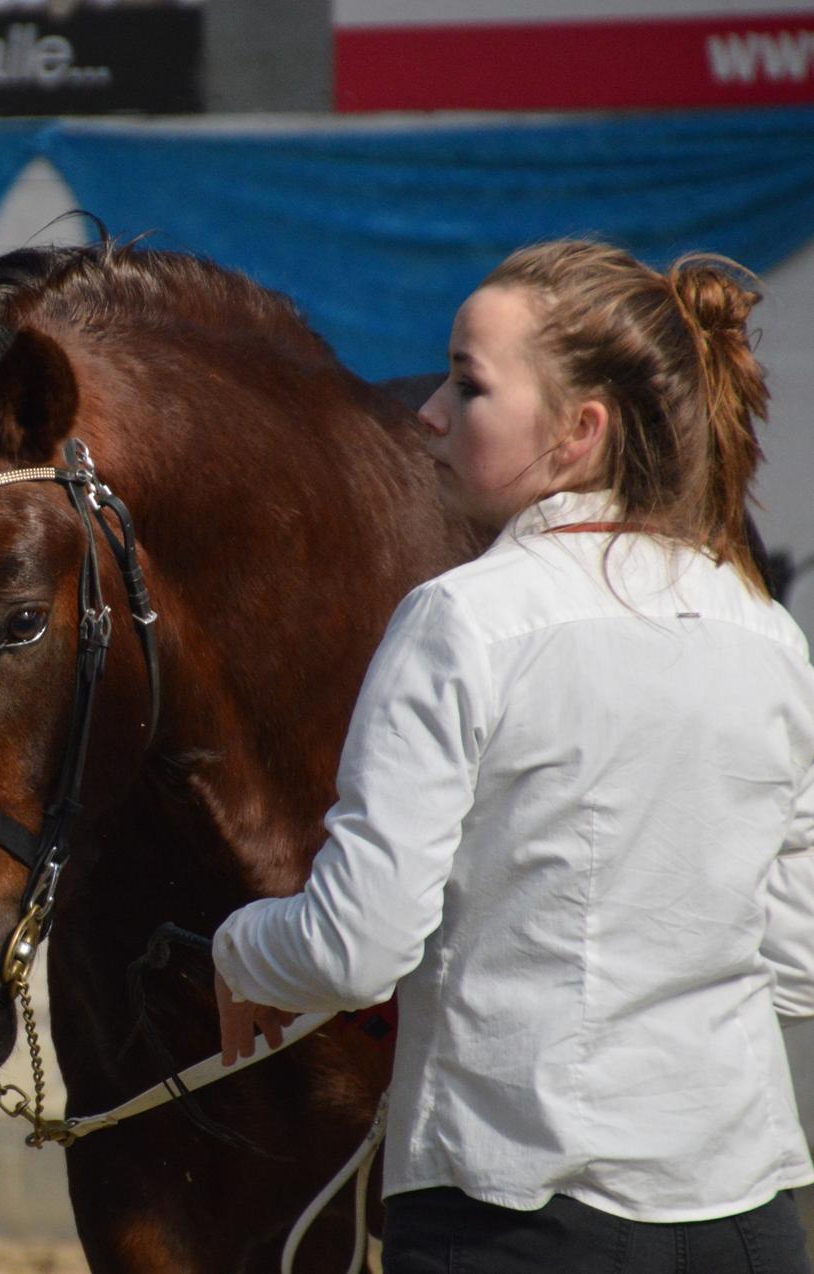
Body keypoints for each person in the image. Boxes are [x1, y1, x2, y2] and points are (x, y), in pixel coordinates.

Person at [212, 239, 814, 1273]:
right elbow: (799, 951)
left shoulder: (462, 619)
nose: (430, 413)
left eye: (468, 382)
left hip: (518, 1215)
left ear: (582, 432)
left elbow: (356, 946)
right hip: (747, 1220)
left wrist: (241, 948)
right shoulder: (762, 626)